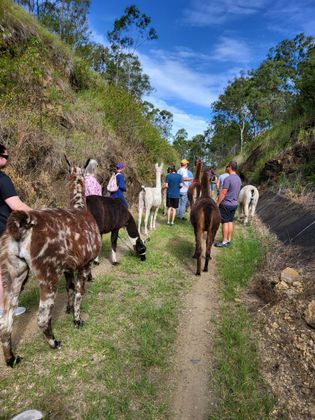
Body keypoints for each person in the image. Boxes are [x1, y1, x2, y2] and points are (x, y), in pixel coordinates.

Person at [0, 144, 32, 317]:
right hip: (2, 231)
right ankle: (4, 308)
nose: (7, 160)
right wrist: (38, 214)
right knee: (5, 271)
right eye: (6, 157)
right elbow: (16, 205)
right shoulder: (2, 179)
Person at [215, 160, 241, 248]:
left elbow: (223, 193)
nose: (227, 167)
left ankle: (224, 241)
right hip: (234, 204)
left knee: (225, 222)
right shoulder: (238, 178)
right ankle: (228, 240)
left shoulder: (228, 179)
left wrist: (218, 203)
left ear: (230, 167)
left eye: (227, 166)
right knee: (230, 221)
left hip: (226, 204)